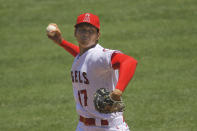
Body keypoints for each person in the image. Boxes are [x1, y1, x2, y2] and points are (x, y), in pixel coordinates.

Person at [47, 13, 137, 131]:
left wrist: (118, 90)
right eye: (82, 30)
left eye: (91, 31)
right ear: (75, 33)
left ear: (98, 35)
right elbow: (84, 57)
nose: (86, 34)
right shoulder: (84, 56)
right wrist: (61, 42)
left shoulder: (100, 54)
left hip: (109, 127)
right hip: (84, 126)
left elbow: (129, 61)